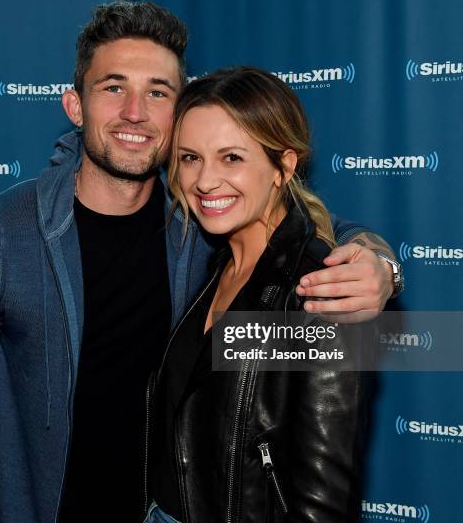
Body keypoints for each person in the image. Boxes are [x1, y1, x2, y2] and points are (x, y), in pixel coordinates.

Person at [0, 1, 400, 523]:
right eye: (113, 88)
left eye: (157, 91)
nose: (135, 111)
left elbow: (304, 231)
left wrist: (380, 265)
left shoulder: (201, 225)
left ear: (177, 112)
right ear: (74, 105)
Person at [145, 66, 368, 523]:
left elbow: (322, 502)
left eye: (231, 158)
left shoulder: (318, 293)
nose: (205, 181)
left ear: (283, 166)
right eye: (190, 158)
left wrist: (385, 264)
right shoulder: (215, 264)